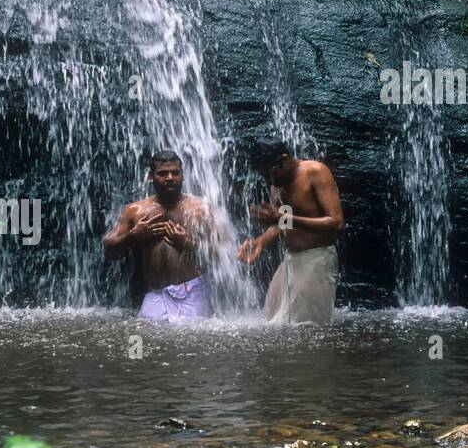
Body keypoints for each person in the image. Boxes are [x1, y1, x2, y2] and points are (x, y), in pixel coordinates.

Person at [238, 138, 344, 325]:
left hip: (317, 259)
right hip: (290, 261)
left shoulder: (315, 172)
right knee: (273, 320)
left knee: (307, 329)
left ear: (285, 160)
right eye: (264, 176)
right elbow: (283, 223)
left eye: (271, 173)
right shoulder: (276, 184)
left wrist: (281, 218)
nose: (269, 181)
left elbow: (336, 223)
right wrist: (260, 242)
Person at [104, 150, 216, 321]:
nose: (170, 177)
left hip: (192, 292)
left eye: (175, 173)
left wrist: (189, 244)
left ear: (182, 176)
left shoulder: (201, 209)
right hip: (155, 294)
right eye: (163, 173)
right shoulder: (135, 211)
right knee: (148, 342)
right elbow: (108, 251)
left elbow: (220, 254)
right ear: (151, 176)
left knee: (195, 343)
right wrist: (132, 237)